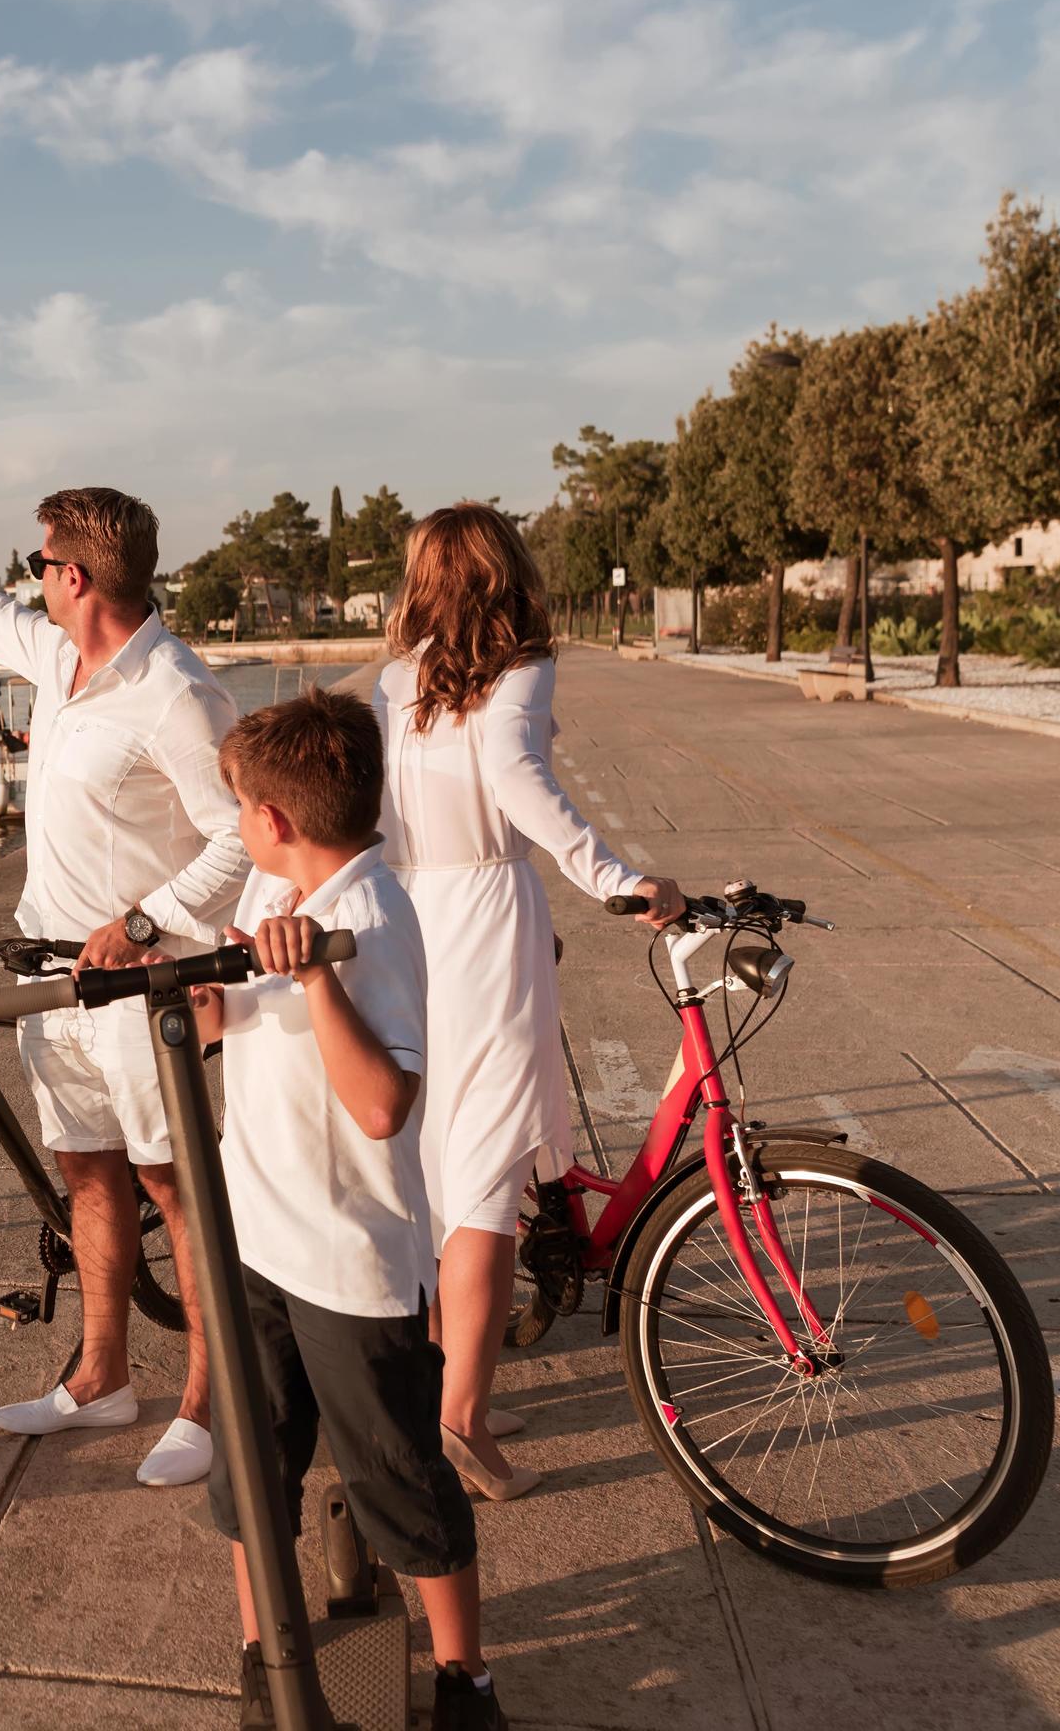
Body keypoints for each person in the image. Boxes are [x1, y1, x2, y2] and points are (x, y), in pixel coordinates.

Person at [0, 489, 246, 1489]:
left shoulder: (179, 693)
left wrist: (145, 924)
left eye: (43, 564)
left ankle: (207, 1401)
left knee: (177, 1190)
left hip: (146, 989)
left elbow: (239, 833)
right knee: (86, 1171)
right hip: (53, 978)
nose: (35, 580)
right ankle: (102, 1380)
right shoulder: (61, 658)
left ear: (78, 577)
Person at [188, 689, 502, 1731]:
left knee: (400, 1482)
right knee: (254, 1475)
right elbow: (256, 1049)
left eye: (239, 810)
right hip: (261, 1242)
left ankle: (466, 1682)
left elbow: (378, 1103)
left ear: (274, 825)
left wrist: (313, 978)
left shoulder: (369, 919)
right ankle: (265, 1658)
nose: (237, 826)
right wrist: (218, 1006)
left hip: (351, 1266)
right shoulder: (297, 914)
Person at [373, 504, 679, 1501]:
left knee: (430, 1171)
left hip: (409, 917)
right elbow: (518, 777)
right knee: (489, 1182)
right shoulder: (521, 669)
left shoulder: (393, 679)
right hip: (485, 921)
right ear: (506, 574)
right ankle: (462, 1420)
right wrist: (617, 878)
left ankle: (437, 1394)